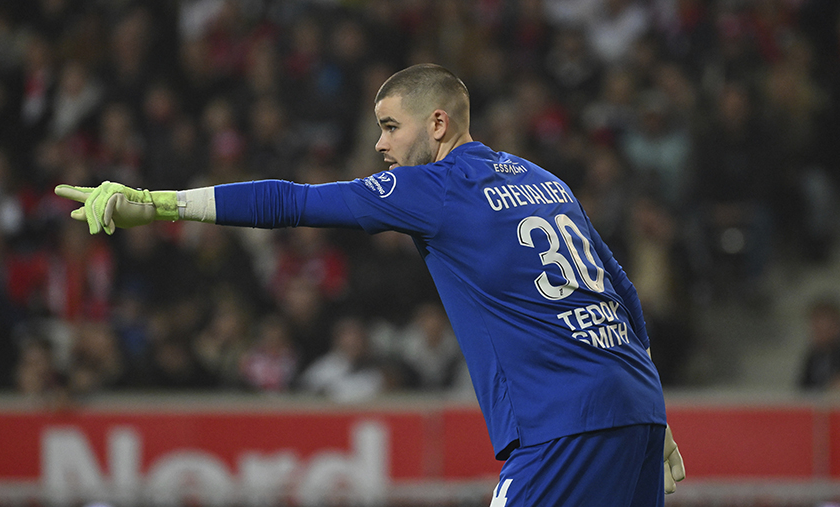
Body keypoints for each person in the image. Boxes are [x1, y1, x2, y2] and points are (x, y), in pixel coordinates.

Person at [56, 63, 684, 506]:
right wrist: (649, 408)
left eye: (389, 126)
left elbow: (291, 202)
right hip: (638, 410)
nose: (380, 144)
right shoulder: (544, 179)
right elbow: (622, 291)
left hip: (562, 424)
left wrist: (157, 204)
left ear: (437, 123)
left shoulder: (434, 187)